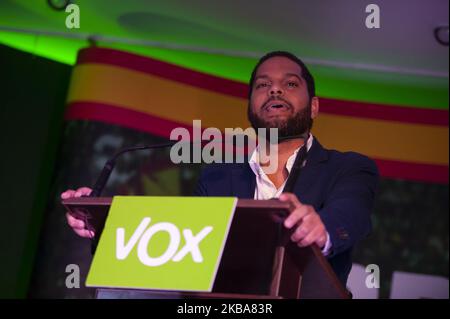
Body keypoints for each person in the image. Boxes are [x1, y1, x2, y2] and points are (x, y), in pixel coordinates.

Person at [62, 51, 379, 286]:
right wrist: (103, 225)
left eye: (290, 83)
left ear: (313, 107)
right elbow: (182, 247)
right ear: (250, 108)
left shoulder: (348, 167)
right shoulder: (217, 177)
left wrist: (322, 228)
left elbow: (352, 213)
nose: (275, 90)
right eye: (263, 84)